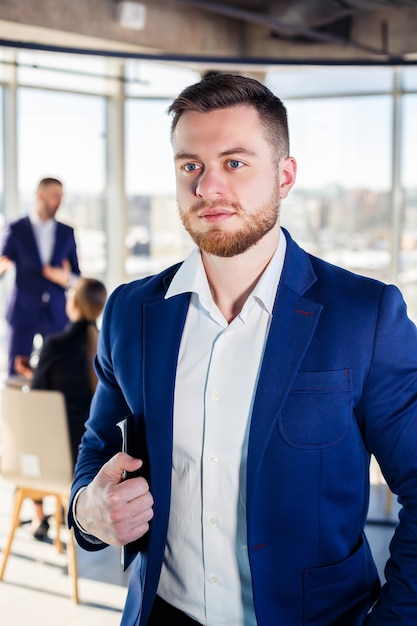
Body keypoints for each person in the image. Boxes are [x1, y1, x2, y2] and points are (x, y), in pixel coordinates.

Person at [69, 74, 417, 625]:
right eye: (191, 166)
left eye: (235, 162)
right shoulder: (130, 313)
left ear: (285, 176)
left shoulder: (365, 317)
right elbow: (97, 448)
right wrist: (88, 512)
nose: (208, 187)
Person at [16, 277, 107, 540]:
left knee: (30, 436)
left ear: (74, 303)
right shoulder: (105, 344)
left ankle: (39, 517)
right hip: (95, 456)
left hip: (58, 458)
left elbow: (37, 396)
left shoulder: (55, 345)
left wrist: (32, 374)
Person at [0, 177, 80, 377]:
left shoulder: (66, 232)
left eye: (61, 196)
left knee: (59, 374)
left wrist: (65, 278)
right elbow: (3, 262)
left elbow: (77, 276)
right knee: (15, 373)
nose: (59, 201)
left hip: (56, 314)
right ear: (40, 196)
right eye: (55, 196)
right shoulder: (17, 229)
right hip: (23, 313)